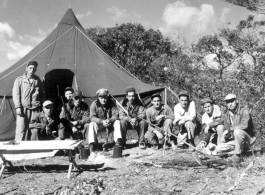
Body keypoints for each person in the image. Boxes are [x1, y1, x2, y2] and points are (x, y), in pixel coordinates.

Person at [217, 94, 256, 163]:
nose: (230, 104)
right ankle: (238, 152)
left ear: (236, 101)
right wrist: (225, 136)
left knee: (237, 131)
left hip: (248, 139)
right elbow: (226, 129)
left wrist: (229, 130)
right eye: (228, 102)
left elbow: (244, 125)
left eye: (232, 101)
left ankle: (238, 155)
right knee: (219, 148)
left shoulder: (244, 111)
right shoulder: (226, 115)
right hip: (236, 141)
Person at [12, 61, 44, 141]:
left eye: (34, 68)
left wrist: (41, 107)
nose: (32, 70)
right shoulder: (19, 80)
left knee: (34, 129)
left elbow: (41, 94)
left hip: (35, 109)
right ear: (26, 69)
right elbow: (16, 94)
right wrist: (18, 107)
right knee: (21, 129)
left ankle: (33, 149)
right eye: (30, 68)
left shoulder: (38, 81)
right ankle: (18, 150)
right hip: (23, 108)